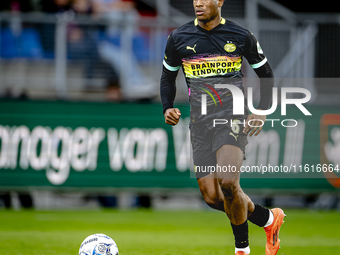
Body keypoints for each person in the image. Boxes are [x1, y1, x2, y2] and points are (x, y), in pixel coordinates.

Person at [160, 0, 285, 255]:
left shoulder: (240, 35)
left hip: (232, 117)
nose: (198, 3)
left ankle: (242, 249)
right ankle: (268, 219)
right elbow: (167, 76)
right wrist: (167, 106)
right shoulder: (178, 37)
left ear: (220, 2)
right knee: (213, 197)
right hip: (200, 124)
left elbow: (267, 75)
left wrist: (261, 110)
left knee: (228, 182)